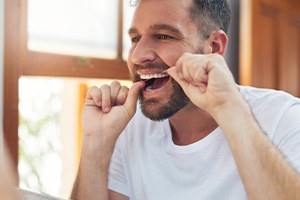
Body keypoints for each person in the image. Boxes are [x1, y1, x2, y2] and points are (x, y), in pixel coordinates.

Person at [71, 0, 300, 199]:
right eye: (135, 38)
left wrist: (227, 109)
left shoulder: (284, 118)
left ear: (214, 47)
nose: (138, 56)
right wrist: (96, 144)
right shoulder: (127, 127)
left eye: (163, 36)